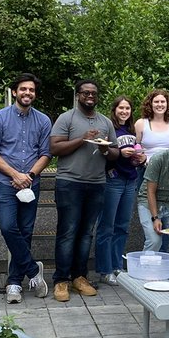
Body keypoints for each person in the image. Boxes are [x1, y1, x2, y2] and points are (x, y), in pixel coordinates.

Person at [49, 80, 117, 303]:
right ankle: (61, 280)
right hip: (69, 182)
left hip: (96, 183)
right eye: (86, 93)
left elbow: (115, 154)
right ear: (78, 95)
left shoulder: (106, 122)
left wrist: (106, 150)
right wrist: (82, 139)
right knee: (68, 232)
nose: (90, 96)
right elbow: (55, 148)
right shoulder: (66, 118)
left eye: (94, 93)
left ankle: (80, 277)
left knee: (87, 233)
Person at [0, 73, 52, 304]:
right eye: (23, 89)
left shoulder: (43, 120)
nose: (27, 93)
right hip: (5, 183)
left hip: (31, 183)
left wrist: (30, 176)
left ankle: (14, 283)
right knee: (7, 226)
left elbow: (46, 154)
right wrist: (15, 175)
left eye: (31, 90)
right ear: (14, 92)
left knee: (25, 231)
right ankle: (33, 270)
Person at [95, 95, 145, 286]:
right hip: (113, 181)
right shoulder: (109, 129)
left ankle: (117, 266)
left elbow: (134, 156)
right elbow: (102, 153)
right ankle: (104, 270)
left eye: (128, 109)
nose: (124, 111)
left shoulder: (131, 130)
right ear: (114, 110)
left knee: (122, 227)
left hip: (130, 180)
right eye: (121, 108)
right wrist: (118, 155)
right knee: (106, 226)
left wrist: (138, 159)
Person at [135, 88, 169, 156]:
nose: (159, 105)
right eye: (156, 102)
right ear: (150, 104)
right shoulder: (141, 124)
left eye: (162, 102)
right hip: (146, 165)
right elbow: (136, 147)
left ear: (167, 104)